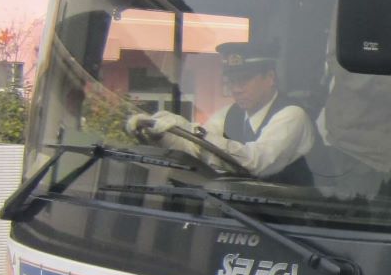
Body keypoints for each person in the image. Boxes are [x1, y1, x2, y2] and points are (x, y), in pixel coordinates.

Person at [132, 41, 316, 181]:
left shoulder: (292, 115)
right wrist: (163, 135)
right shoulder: (230, 113)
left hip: (297, 220)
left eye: (244, 80)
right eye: (232, 82)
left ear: (269, 78)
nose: (236, 89)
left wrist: (193, 131)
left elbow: (256, 162)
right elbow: (197, 148)